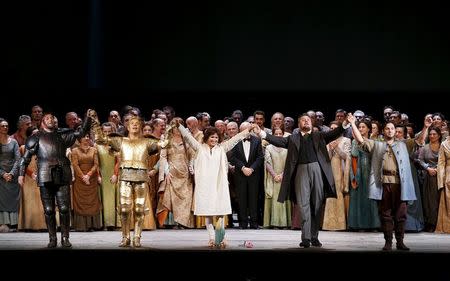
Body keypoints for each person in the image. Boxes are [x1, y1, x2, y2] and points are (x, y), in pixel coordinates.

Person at [253, 113, 351, 248]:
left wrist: (345, 123)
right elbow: (278, 141)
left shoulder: (319, 135)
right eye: (303, 120)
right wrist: (262, 133)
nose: (306, 122)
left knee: (316, 204)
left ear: (311, 123)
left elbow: (335, 133)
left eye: (308, 120)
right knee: (303, 205)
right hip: (301, 172)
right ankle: (306, 238)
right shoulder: (293, 138)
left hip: (317, 170)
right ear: (299, 125)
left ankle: (314, 237)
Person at [18, 111, 93, 248]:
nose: (51, 119)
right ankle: (52, 238)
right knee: (49, 209)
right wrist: (21, 175)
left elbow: (81, 133)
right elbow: (25, 159)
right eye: (47, 118)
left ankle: (65, 238)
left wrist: (88, 119)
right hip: (45, 174)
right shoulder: (36, 137)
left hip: (62, 173)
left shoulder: (62, 134)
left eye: (52, 117)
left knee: (64, 208)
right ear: (42, 122)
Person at [174, 119, 253, 248]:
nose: (214, 140)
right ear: (207, 137)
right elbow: (188, 138)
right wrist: (180, 126)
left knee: (220, 212)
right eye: (212, 137)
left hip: (219, 185)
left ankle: (221, 238)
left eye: (216, 137)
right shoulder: (199, 148)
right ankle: (211, 238)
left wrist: (247, 130)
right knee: (208, 213)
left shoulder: (222, 148)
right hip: (205, 186)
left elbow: (235, 139)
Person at [92, 113, 160, 247]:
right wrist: (95, 122)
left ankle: (137, 237)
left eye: (137, 123)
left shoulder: (147, 141)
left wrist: (170, 131)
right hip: (125, 177)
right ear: (127, 126)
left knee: (139, 210)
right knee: (124, 209)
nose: (134, 124)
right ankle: (125, 237)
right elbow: (100, 139)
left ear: (141, 126)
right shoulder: (120, 140)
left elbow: (164, 144)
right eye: (131, 123)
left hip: (140, 177)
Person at [350, 114, 417, 251]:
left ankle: (400, 242)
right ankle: (388, 242)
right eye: (387, 128)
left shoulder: (404, 144)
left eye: (392, 128)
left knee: (401, 215)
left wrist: (426, 127)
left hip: (400, 184)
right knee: (385, 215)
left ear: (396, 131)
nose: (390, 131)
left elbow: (419, 141)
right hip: (384, 183)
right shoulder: (377, 145)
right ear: (383, 131)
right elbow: (361, 140)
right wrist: (352, 123)